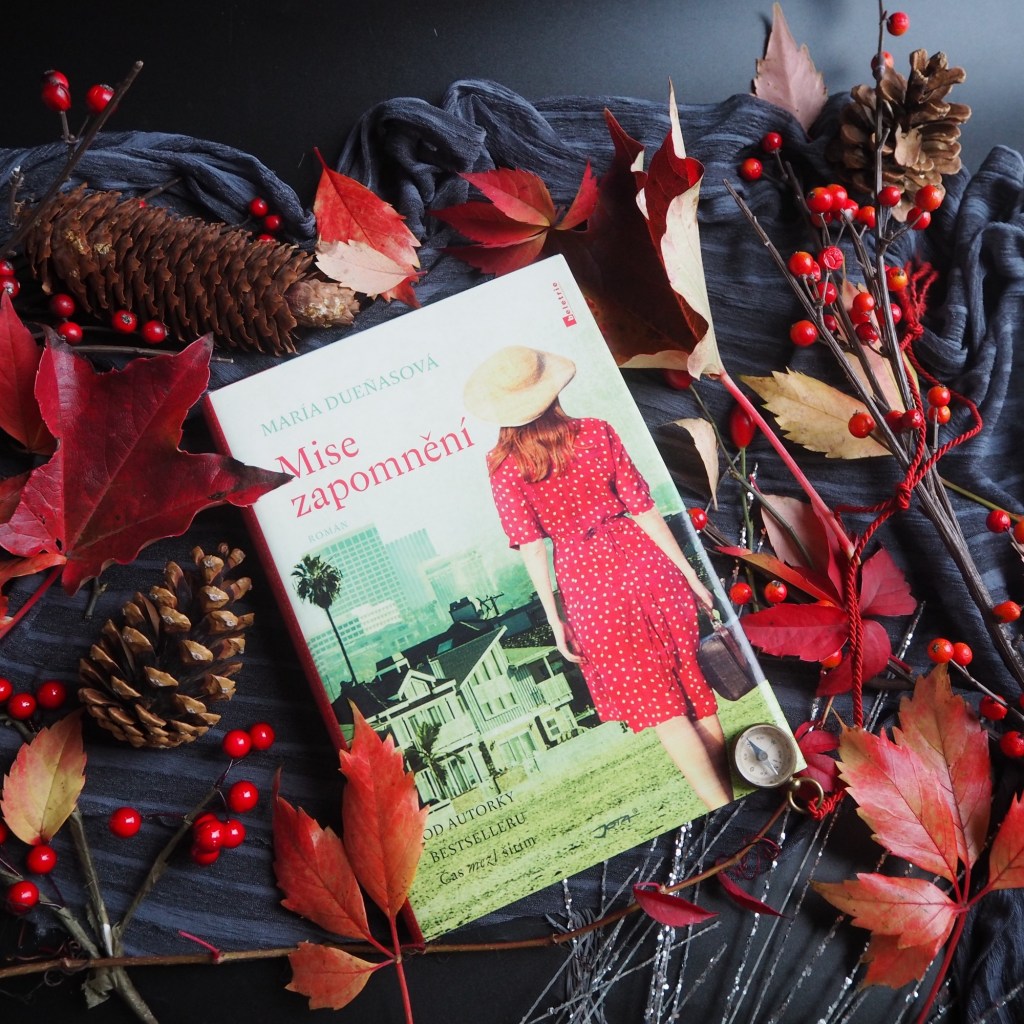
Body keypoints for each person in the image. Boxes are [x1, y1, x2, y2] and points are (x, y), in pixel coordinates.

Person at [463, 345, 733, 810]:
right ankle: (737, 796)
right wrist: (690, 575)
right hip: (646, 563)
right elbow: (643, 509)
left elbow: (532, 547)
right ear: (550, 390)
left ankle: (717, 803)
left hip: (589, 589)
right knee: (694, 687)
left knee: (663, 709)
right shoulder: (596, 432)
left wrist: (555, 619)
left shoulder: (505, 469)